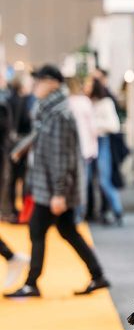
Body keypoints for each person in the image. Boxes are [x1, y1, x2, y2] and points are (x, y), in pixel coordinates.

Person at [4, 65, 110, 298]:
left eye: (39, 81)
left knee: (37, 229)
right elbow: (41, 137)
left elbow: (61, 157)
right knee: (67, 230)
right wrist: (21, 149)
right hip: (50, 185)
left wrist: (59, 193)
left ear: (52, 83)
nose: (35, 86)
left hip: (54, 188)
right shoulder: (49, 110)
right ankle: (98, 275)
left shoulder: (59, 114)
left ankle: (32, 282)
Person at [89, 78, 124, 225]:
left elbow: (113, 125)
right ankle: (100, 212)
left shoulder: (106, 103)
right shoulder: (88, 102)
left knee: (104, 180)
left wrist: (95, 126)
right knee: (90, 180)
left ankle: (117, 210)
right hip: (90, 143)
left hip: (103, 141)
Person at [0, 74, 34, 222]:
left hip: (11, 145)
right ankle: (11, 211)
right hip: (15, 146)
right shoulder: (17, 101)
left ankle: (11, 210)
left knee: (11, 180)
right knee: (13, 179)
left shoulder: (11, 99)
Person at [65, 78, 98, 222]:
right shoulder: (84, 102)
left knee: (71, 182)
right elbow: (93, 127)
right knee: (83, 182)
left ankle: (74, 212)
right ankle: (80, 213)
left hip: (71, 149)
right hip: (85, 148)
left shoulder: (66, 103)